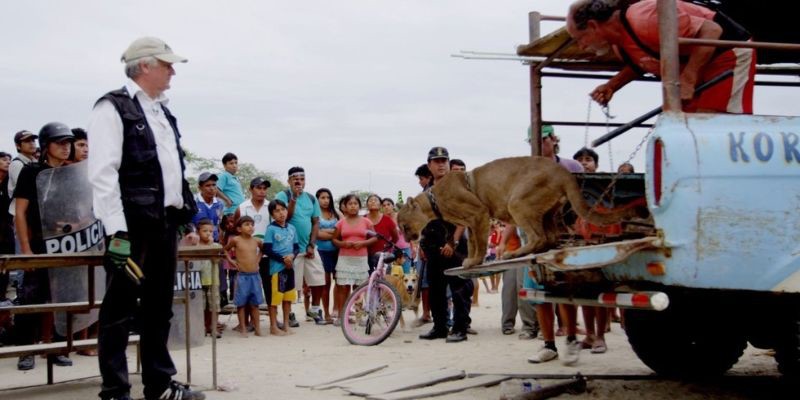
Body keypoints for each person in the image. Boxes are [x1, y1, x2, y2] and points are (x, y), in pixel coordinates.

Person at [87, 36, 203, 400]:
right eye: (166, 63)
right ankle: (115, 390)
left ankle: (159, 383)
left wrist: (184, 217)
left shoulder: (162, 111)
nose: (172, 70)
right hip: (131, 227)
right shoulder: (112, 107)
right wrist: (116, 231)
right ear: (145, 66)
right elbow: (103, 173)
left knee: (159, 309)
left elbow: (171, 170)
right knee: (119, 310)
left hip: (164, 223)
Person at [566, 0, 756, 114]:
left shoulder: (643, 18)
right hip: (695, 65)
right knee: (680, 124)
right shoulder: (619, 46)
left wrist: (689, 78)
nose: (582, 46)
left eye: (580, 39)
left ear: (592, 25)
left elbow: (711, 30)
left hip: (727, 53)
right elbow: (642, 62)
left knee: (711, 122)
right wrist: (612, 86)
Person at [13, 123, 76, 371]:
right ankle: (25, 351)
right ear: (46, 145)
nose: (65, 147)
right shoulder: (31, 172)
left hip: (65, 244)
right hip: (38, 244)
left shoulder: (71, 174)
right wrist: (26, 250)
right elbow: (20, 212)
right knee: (32, 298)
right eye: (59, 142)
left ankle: (57, 348)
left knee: (62, 299)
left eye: (67, 143)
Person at [526, 125, 583, 365]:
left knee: (565, 290)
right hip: (536, 238)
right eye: (533, 141)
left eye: (542, 139)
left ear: (553, 139)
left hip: (564, 236)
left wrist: (578, 229)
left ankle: (571, 339)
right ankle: (548, 345)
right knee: (540, 293)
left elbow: (584, 201)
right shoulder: (525, 171)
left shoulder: (571, 167)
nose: (538, 144)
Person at [417, 146, 473, 343]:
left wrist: (454, 241)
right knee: (435, 289)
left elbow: (464, 216)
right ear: (429, 165)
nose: (441, 164)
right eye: (437, 161)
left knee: (459, 288)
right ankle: (440, 327)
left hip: (454, 244)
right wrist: (422, 245)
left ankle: (460, 328)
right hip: (432, 244)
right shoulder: (428, 190)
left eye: (444, 161)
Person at [275, 166, 325, 325]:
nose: (299, 182)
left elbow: (316, 222)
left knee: (318, 279)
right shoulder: (282, 195)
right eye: (295, 179)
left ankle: (315, 310)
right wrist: (294, 198)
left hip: (308, 247)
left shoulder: (311, 198)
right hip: (290, 248)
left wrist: (312, 244)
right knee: (291, 283)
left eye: (302, 179)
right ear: (289, 180)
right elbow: (284, 218)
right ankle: (289, 314)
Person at [331, 194, 376, 325]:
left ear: (359, 206)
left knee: (359, 288)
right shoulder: (340, 223)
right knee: (343, 288)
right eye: (350, 204)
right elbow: (334, 239)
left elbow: (375, 237)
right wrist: (343, 244)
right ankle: (341, 316)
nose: (353, 206)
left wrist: (363, 243)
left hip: (361, 258)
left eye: (355, 203)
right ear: (345, 206)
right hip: (344, 258)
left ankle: (359, 316)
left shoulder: (366, 222)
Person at [263, 199, 299, 336]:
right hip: (277, 268)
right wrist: (283, 259)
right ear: (272, 214)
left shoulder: (292, 228)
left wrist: (292, 257)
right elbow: (267, 249)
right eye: (277, 211)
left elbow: (296, 247)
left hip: (290, 268)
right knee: (275, 298)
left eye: (283, 209)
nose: (281, 213)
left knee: (287, 298)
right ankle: (273, 325)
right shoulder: (271, 229)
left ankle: (285, 324)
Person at [224, 216, 264, 337]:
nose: (250, 227)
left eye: (252, 224)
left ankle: (257, 329)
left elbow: (263, 250)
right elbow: (225, 250)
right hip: (242, 276)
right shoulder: (236, 240)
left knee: (255, 304)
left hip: (255, 275)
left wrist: (257, 260)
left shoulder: (257, 240)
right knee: (241, 304)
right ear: (239, 228)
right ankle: (243, 328)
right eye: (247, 224)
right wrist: (231, 261)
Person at [500, 224, 539, 340]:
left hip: (539, 246)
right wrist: (502, 243)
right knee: (522, 288)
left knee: (543, 288)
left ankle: (540, 327)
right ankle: (529, 326)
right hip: (521, 250)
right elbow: (511, 222)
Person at [191, 219, 222, 338]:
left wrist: (210, 246)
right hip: (198, 281)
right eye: (205, 231)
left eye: (211, 231)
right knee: (200, 306)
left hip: (213, 281)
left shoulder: (215, 246)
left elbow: (216, 260)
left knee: (214, 306)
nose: (208, 233)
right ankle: (201, 327)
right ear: (198, 232)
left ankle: (213, 327)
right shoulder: (194, 246)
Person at [413, 164, 434, 326]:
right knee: (425, 282)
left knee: (427, 281)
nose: (420, 182)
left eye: (421, 179)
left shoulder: (430, 195)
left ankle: (429, 314)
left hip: (431, 243)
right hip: (427, 243)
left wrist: (422, 246)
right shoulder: (424, 195)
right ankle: (427, 313)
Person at [316, 188, 339, 324]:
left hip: (336, 251)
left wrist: (326, 232)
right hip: (321, 252)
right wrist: (333, 233)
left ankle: (337, 309)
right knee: (326, 283)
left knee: (339, 281)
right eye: (322, 198)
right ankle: (326, 313)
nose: (325, 200)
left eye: (328, 197)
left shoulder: (336, 213)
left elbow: (341, 231)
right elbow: (317, 234)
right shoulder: (315, 214)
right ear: (317, 199)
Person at [7, 130, 38, 219]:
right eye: (27, 141)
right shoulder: (17, 164)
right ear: (18, 146)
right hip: (22, 213)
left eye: (33, 141)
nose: (32, 143)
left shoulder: (34, 161)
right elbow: (26, 189)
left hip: (32, 211)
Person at [365, 194, 399, 273]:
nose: (373, 201)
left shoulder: (387, 220)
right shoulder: (362, 219)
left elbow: (395, 237)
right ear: (367, 205)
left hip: (383, 256)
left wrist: (388, 247)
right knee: (367, 282)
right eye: (370, 200)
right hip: (366, 256)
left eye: (375, 200)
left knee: (383, 281)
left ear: (380, 205)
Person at [192, 172, 224, 242]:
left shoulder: (220, 204)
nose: (212, 188)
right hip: (196, 243)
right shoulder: (193, 202)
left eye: (214, 185)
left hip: (214, 242)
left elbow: (219, 223)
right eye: (208, 185)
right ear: (200, 188)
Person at [0, 152, 13, 300]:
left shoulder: (9, 183)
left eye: (9, 159)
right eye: (3, 159)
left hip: (6, 231)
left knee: (6, 268)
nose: (7, 162)